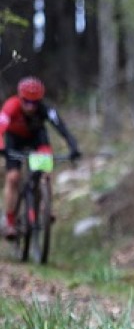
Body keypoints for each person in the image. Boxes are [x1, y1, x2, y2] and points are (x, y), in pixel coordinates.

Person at [0, 76, 82, 239]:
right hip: (13, 140)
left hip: (37, 138)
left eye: (35, 102)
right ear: (20, 98)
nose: (30, 106)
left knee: (44, 172)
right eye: (26, 102)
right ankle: (10, 222)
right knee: (13, 177)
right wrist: (2, 148)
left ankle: (45, 207)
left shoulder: (46, 110)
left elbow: (62, 128)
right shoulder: (11, 106)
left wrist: (73, 147)